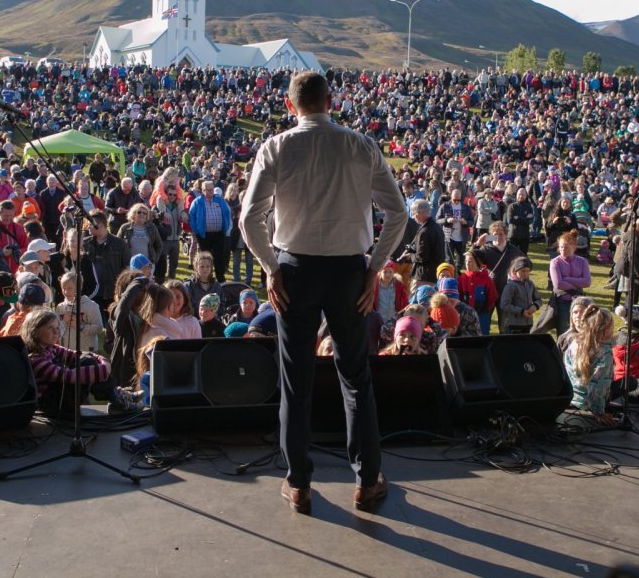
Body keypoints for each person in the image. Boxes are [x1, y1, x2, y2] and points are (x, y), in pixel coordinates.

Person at [240, 70, 407, 514]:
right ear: (330, 101)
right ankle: (367, 481)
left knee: (296, 382)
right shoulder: (360, 145)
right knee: (356, 377)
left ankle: (298, 485)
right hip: (349, 271)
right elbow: (398, 213)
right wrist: (374, 269)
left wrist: (271, 270)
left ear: (290, 104)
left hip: (294, 269)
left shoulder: (276, 146)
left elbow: (249, 219)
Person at [21, 308, 110, 419]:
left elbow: (77, 354)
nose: (56, 332)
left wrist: (101, 360)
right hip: (50, 404)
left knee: (86, 359)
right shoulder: (35, 360)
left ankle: (116, 395)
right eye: (50, 328)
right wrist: (103, 370)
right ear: (34, 332)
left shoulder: (52, 348)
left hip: (60, 397)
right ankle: (116, 398)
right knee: (87, 364)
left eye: (57, 328)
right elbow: (68, 376)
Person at [563, 304, 615, 425]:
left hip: (573, 399)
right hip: (590, 403)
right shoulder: (605, 353)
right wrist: (599, 412)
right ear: (606, 328)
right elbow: (598, 385)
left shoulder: (574, 343)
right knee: (630, 382)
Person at [536, 230, 591, 336]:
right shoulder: (555, 262)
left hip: (579, 302)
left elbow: (587, 282)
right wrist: (578, 282)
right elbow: (558, 284)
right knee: (564, 333)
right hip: (562, 303)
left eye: (566, 247)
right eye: (561, 247)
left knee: (579, 332)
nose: (563, 249)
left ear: (574, 247)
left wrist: (567, 279)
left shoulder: (582, 261)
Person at [189, 181, 233, 282]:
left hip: (219, 234)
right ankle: (205, 279)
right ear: (203, 191)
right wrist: (197, 231)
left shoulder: (220, 200)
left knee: (219, 257)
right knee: (205, 258)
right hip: (204, 235)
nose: (211, 191)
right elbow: (192, 217)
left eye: (212, 189)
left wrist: (225, 228)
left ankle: (220, 278)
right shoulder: (197, 202)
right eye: (208, 190)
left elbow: (227, 213)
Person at [57, 270, 104, 353]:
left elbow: (99, 328)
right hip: (67, 350)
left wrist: (81, 326)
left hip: (87, 349)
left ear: (78, 288)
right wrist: (64, 321)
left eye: (70, 288)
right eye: (63, 289)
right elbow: (57, 329)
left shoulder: (91, 306)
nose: (66, 292)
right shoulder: (60, 307)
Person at [407, 199, 446, 288]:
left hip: (424, 275)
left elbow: (421, 257)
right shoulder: (437, 227)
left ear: (422, 213)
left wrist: (410, 255)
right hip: (435, 273)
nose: (413, 216)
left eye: (414, 213)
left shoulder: (425, 231)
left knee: (416, 299)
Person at [499, 256, 541, 335]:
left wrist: (535, 306)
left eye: (528, 271)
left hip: (528, 323)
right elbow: (504, 305)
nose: (526, 274)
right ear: (515, 271)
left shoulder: (530, 284)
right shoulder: (510, 286)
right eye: (523, 271)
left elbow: (538, 299)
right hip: (514, 324)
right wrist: (521, 311)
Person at [183, 250, 223, 319]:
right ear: (196, 268)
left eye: (208, 266)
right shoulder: (188, 285)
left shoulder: (216, 286)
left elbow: (222, 304)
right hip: (193, 321)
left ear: (211, 268)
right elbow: (185, 306)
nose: (205, 269)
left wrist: (214, 314)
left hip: (212, 321)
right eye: (202, 266)